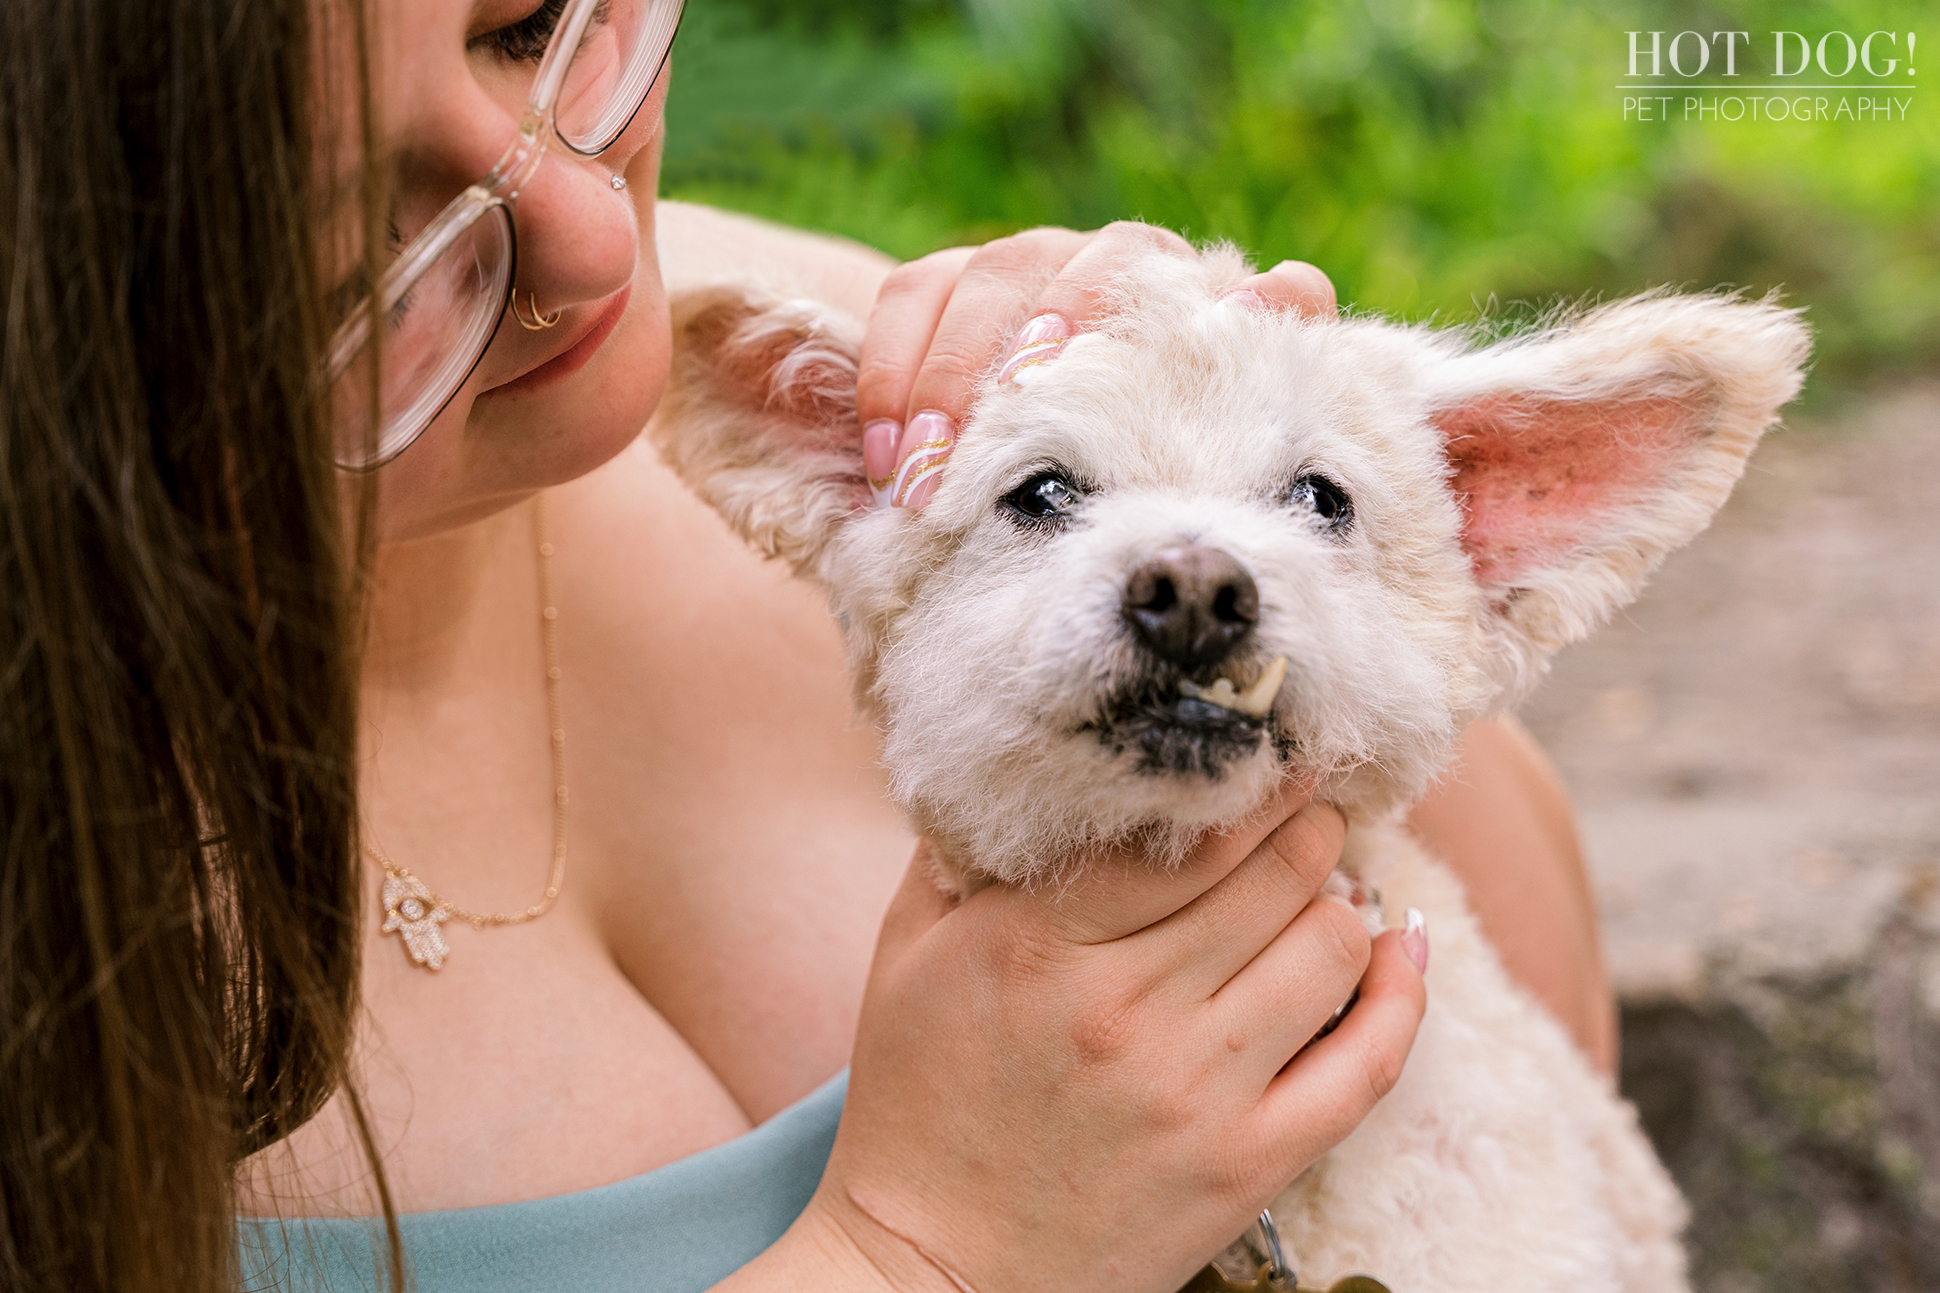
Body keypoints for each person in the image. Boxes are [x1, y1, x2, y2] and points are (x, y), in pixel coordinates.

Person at [2, 0, 1613, 1289]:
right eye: (374, 259)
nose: (587, 237)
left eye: (534, 32)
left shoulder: (813, 362)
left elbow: (1537, 1012)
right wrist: (916, 1258)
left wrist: (1277, 481)